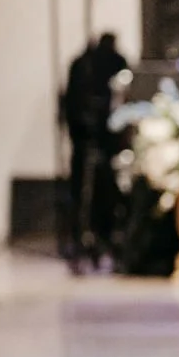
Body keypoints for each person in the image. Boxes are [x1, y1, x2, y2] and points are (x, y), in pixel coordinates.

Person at [61, 30, 128, 272]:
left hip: (108, 141)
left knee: (108, 192)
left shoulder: (117, 63)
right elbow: (71, 103)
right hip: (86, 139)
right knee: (83, 191)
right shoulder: (83, 66)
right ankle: (83, 237)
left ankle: (106, 236)